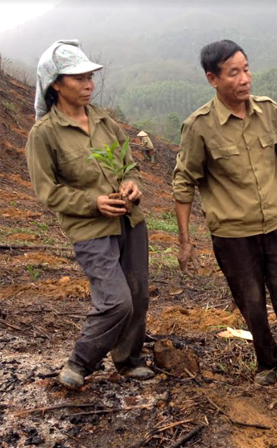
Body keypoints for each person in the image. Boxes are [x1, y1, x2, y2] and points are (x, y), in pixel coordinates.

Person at [172, 39, 277, 386]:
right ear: (213, 79)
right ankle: (268, 365)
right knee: (253, 304)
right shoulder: (199, 126)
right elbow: (184, 182)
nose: (245, 79)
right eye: (234, 73)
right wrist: (185, 241)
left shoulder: (269, 111)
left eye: (246, 69)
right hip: (232, 234)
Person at [25, 40, 153, 389]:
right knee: (116, 301)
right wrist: (93, 202)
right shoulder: (44, 134)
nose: (88, 84)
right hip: (91, 229)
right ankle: (80, 361)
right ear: (55, 84)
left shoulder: (104, 121)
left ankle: (128, 360)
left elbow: (130, 164)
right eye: (78, 78)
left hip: (129, 220)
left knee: (138, 294)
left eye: (90, 77)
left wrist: (131, 182)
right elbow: (47, 192)